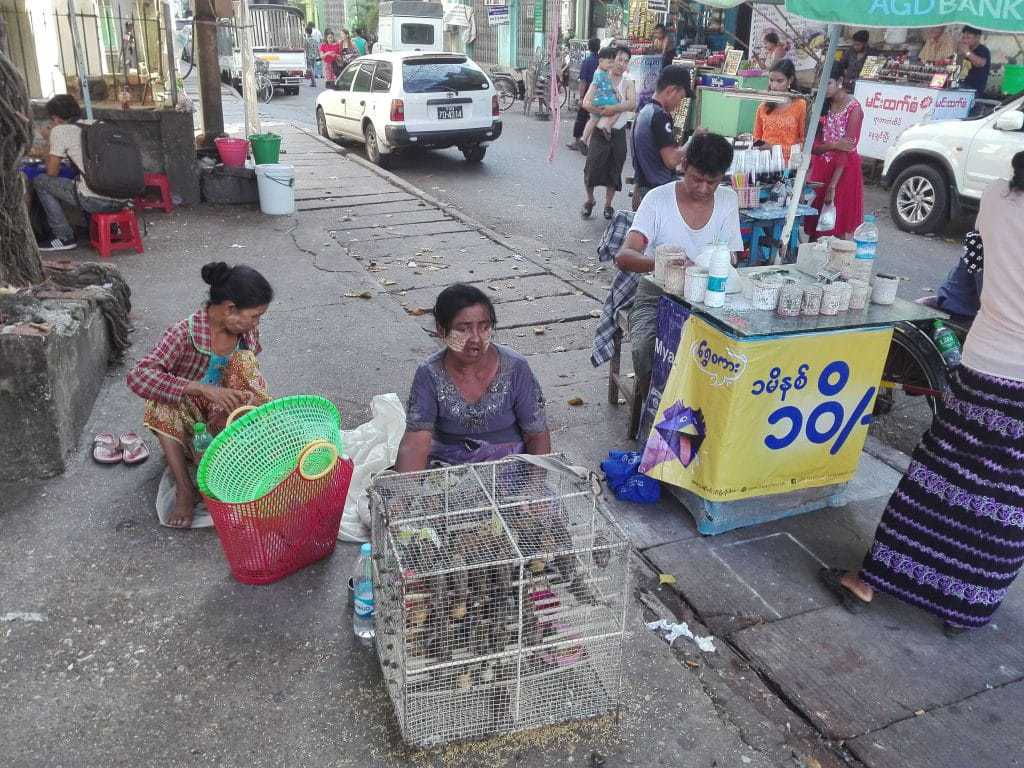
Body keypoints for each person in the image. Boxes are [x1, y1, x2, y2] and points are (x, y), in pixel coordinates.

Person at [819, 153, 1024, 637]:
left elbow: (974, 269)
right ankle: (964, 607)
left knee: (937, 479)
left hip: (987, 364)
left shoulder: (997, 198)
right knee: (1007, 500)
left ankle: (871, 582)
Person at [126, 263, 273, 528]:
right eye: (254, 315)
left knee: (245, 363)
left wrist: (232, 396)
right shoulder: (182, 334)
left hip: (224, 419)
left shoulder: (246, 333)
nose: (256, 323)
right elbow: (138, 376)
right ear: (229, 309)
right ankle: (185, 488)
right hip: (190, 421)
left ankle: (240, 459)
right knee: (161, 402)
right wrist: (201, 388)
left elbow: (250, 381)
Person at [615, 133, 743, 389]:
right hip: (657, 295)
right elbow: (624, 257)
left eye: (712, 182)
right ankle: (655, 408)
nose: (704, 189)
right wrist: (663, 262)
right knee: (649, 351)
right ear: (684, 166)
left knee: (730, 355)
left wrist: (708, 266)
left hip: (709, 296)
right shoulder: (657, 199)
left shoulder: (728, 200)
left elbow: (732, 257)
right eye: (697, 179)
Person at [396, 284, 551, 471]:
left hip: (508, 468)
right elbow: (416, 443)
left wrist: (534, 490)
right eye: (463, 329)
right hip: (448, 467)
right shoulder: (429, 374)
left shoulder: (515, 368)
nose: (476, 339)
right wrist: (404, 493)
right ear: (441, 330)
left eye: (484, 328)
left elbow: (536, 435)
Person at [31, 94, 127, 252]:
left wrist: (49, 139)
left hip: (96, 200)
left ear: (55, 118)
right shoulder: (97, 124)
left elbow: (51, 172)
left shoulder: (60, 131)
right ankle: (112, 230)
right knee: (83, 179)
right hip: (124, 197)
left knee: (41, 181)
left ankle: (64, 236)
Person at [806, 64, 864, 240]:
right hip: (821, 167)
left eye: (827, 83)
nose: (823, 89)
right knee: (816, 225)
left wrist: (833, 185)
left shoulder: (854, 109)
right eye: (820, 84)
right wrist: (833, 145)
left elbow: (846, 149)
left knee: (835, 225)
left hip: (843, 172)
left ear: (839, 81)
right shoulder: (822, 105)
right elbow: (812, 147)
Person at [582, 46, 637, 220]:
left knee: (615, 170)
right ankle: (590, 200)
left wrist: (613, 108)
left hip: (618, 132)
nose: (622, 64)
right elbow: (585, 102)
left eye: (626, 61)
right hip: (599, 132)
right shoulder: (600, 77)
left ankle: (608, 204)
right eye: (619, 59)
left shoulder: (628, 81)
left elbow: (632, 103)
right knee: (591, 169)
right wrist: (599, 110)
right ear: (612, 60)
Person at [631, 64, 692, 210]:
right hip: (657, 192)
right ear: (671, 90)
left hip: (644, 187)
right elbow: (671, 160)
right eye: (681, 97)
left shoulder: (645, 111)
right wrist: (692, 141)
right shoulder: (659, 116)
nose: (679, 103)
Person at [752, 59, 806, 163]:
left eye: (779, 81)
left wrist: (775, 149)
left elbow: (804, 142)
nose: (774, 86)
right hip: (765, 162)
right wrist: (760, 146)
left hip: (791, 164)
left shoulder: (800, 105)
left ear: (790, 80)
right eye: (771, 80)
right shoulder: (763, 107)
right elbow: (756, 137)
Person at [581, 47, 620, 146]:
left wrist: (616, 91)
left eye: (612, 62)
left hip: (598, 100)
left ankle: (584, 139)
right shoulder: (599, 74)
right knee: (619, 108)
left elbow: (610, 84)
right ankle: (607, 126)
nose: (611, 65)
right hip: (603, 100)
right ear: (600, 61)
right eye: (609, 62)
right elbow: (593, 86)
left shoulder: (604, 71)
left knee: (593, 120)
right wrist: (588, 99)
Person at [568, 37, 601, 154]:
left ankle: (578, 141)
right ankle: (592, 142)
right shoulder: (601, 61)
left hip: (588, 93)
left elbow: (583, 81)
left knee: (582, 118)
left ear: (588, 47)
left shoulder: (587, 62)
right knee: (596, 118)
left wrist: (581, 97)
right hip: (600, 95)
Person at [958, 25, 991, 97]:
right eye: (963, 38)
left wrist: (967, 52)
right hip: (960, 85)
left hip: (973, 90)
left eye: (968, 38)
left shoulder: (983, 50)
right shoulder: (964, 50)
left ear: (977, 37)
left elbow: (981, 63)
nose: (965, 40)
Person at [304, 22, 322, 86]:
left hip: (309, 56)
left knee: (310, 69)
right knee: (313, 69)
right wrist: (319, 55)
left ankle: (314, 82)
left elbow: (305, 48)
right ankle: (313, 82)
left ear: (306, 32)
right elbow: (317, 48)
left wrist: (305, 55)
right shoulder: (314, 40)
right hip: (314, 56)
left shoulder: (307, 40)